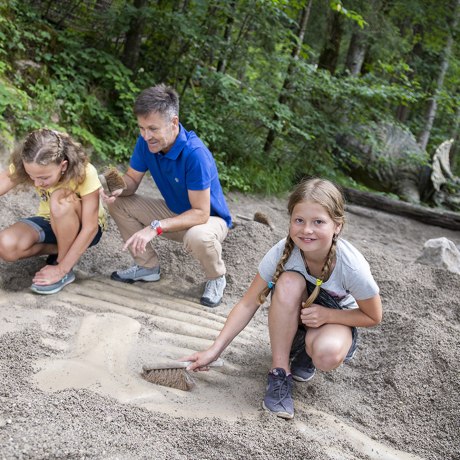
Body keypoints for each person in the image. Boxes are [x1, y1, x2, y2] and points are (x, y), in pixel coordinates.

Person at [183, 178, 382, 419]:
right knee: (289, 281)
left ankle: (308, 353)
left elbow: (373, 316)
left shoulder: (352, 266)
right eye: (299, 220)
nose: (307, 230)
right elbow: (249, 302)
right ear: (290, 221)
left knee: (326, 354)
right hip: (297, 314)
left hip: (336, 317)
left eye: (318, 222)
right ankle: (279, 372)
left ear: (337, 225)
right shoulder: (283, 252)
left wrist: (328, 315)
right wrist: (214, 350)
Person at [101, 84, 232, 308]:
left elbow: (201, 213)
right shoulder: (145, 143)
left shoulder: (195, 154)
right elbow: (132, 181)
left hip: (209, 220)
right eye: (141, 128)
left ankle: (216, 278)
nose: (146, 135)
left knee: (198, 236)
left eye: (152, 129)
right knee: (119, 204)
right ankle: (147, 267)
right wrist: (115, 187)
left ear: (173, 123)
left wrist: (155, 226)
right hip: (174, 211)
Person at [0, 128, 106, 294]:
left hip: (85, 228)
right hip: (49, 220)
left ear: (63, 166)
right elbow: (3, 181)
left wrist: (61, 269)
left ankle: (62, 263)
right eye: (31, 176)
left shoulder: (86, 172)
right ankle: (62, 249)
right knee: (6, 245)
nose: (36, 184)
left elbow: (90, 228)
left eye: (43, 178)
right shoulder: (31, 162)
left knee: (59, 199)